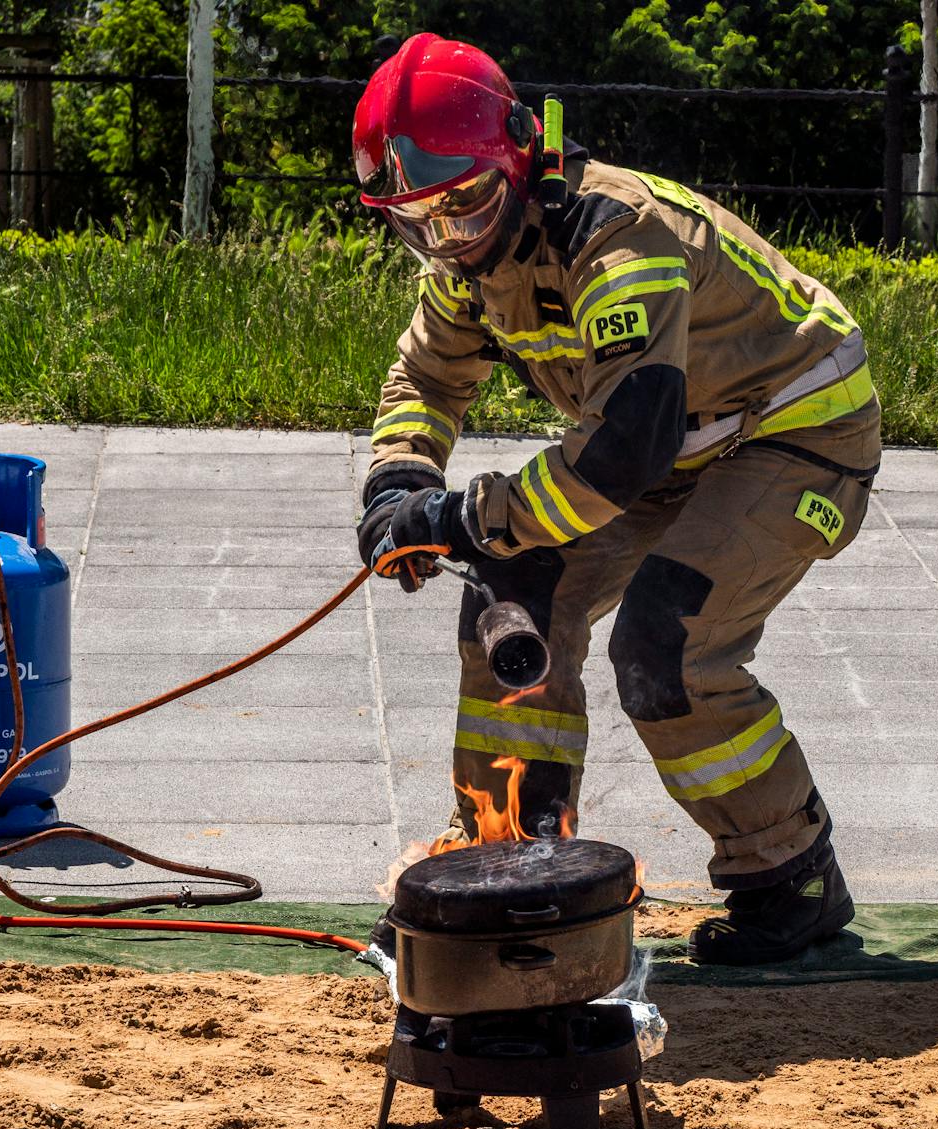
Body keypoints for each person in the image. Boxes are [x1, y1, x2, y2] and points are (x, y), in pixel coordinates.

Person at [352, 35, 880, 966]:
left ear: (518, 155)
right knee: (511, 598)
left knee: (666, 643)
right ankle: (509, 856)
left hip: (793, 428)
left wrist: (468, 520)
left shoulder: (614, 233)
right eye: (417, 221)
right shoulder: (471, 259)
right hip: (671, 440)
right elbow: (427, 378)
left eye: (465, 204)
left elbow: (616, 458)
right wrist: (400, 480)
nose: (449, 238)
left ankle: (789, 875)